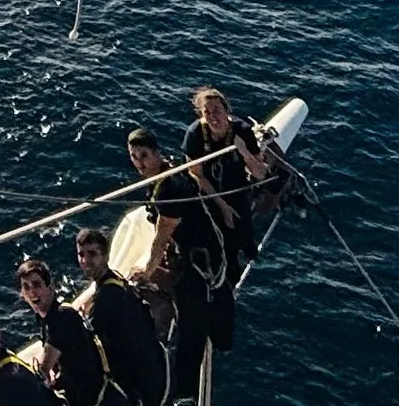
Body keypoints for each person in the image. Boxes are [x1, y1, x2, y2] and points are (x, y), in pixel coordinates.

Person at [126, 128, 234, 403]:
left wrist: (146, 273)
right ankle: (221, 335)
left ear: (157, 153)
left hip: (198, 262)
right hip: (202, 249)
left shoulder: (169, 190)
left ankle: (185, 391)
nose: (139, 162)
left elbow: (161, 239)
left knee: (191, 328)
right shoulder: (169, 172)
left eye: (144, 156)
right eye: (134, 157)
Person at [74, 227, 170, 406]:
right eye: (81, 254)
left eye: (92, 254)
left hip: (138, 384)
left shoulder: (105, 297)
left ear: (105, 256)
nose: (86, 260)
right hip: (154, 371)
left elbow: (86, 342)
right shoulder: (117, 281)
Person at [15, 257, 129, 406]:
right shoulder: (53, 317)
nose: (32, 292)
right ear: (22, 294)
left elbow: (43, 371)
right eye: (26, 287)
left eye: (37, 285)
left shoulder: (61, 319)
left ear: (51, 287)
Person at [182, 88, 269, 275]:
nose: (213, 117)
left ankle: (248, 251)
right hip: (209, 193)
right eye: (207, 112)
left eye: (217, 111)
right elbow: (196, 174)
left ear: (226, 110)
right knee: (219, 238)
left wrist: (244, 151)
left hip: (236, 189)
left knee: (244, 233)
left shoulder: (242, 131)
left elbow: (261, 173)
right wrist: (222, 206)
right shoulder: (195, 134)